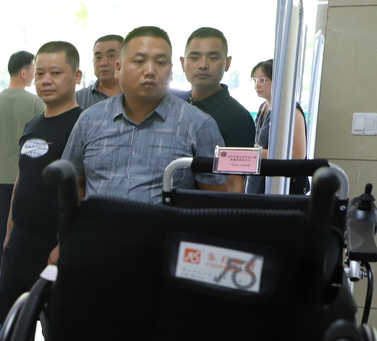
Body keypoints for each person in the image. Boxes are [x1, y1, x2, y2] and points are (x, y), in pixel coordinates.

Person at [61, 25, 227, 215]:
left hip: (166, 233)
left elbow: (213, 201)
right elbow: (75, 183)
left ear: (171, 71)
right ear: (118, 68)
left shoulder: (199, 125)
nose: (150, 70)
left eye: (160, 62)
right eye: (139, 61)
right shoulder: (89, 120)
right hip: (99, 232)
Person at [0, 42, 82, 322]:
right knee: (11, 327)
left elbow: (86, 190)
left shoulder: (83, 125)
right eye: (40, 73)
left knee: (55, 329)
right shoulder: (32, 124)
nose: (46, 80)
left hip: (54, 246)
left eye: (56, 73)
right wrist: (9, 231)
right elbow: (23, 177)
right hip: (19, 243)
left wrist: (65, 245)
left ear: (77, 76)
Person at [0, 50, 43, 282]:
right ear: (23, 72)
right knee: (23, 226)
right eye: (34, 70)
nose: (35, 75)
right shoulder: (36, 103)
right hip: (26, 179)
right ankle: (20, 272)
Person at [181, 27, 256, 192]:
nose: (203, 65)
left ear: (227, 63)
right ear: (182, 63)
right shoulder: (176, 107)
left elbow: (235, 184)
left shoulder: (238, 117)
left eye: (213, 58)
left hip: (208, 206)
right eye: (194, 57)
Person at [247, 58, 308, 195]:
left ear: (278, 81)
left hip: (283, 184)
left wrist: (255, 153)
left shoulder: (290, 110)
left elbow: (298, 154)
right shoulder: (263, 107)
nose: (257, 85)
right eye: (255, 80)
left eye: (262, 80)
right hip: (259, 180)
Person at [76, 34, 124, 109]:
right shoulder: (78, 98)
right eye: (98, 57)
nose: (103, 63)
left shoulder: (137, 95)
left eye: (111, 56)